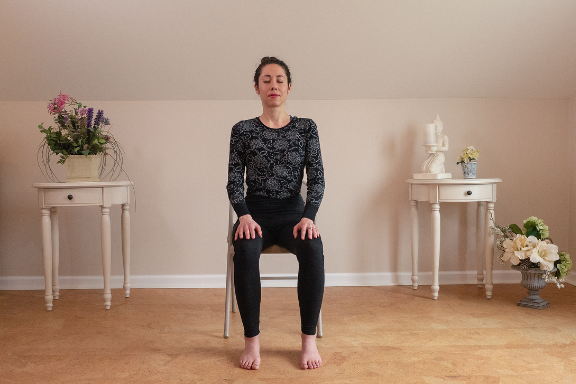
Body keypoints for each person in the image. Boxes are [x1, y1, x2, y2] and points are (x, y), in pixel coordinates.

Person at [226, 57, 325, 370]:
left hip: (293, 216)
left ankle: (308, 340)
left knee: (312, 247)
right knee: (244, 249)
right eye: (266, 80)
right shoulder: (242, 130)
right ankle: (251, 341)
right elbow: (233, 181)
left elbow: (318, 179)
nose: (273, 85)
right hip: (253, 216)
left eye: (280, 79)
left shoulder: (306, 128)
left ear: (289, 87)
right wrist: (242, 215)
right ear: (257, 88)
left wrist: (309, 216)